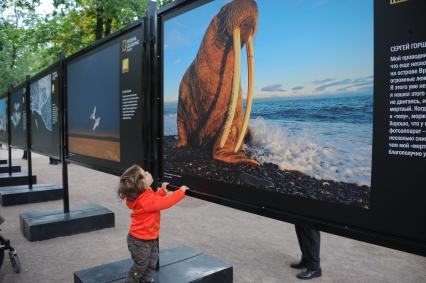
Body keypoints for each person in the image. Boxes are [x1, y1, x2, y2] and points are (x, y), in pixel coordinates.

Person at [117, 164, 188, 283]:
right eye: (144, 174)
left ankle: (146, 280)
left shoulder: (144, 194)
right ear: (142, 184)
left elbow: (154, 200)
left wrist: (162, 191)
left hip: (149, 238)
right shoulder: (145, 200)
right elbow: (164, 203)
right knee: (141, 265)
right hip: (139, 241)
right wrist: (180, 192)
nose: (148, 172)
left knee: (151, 262)